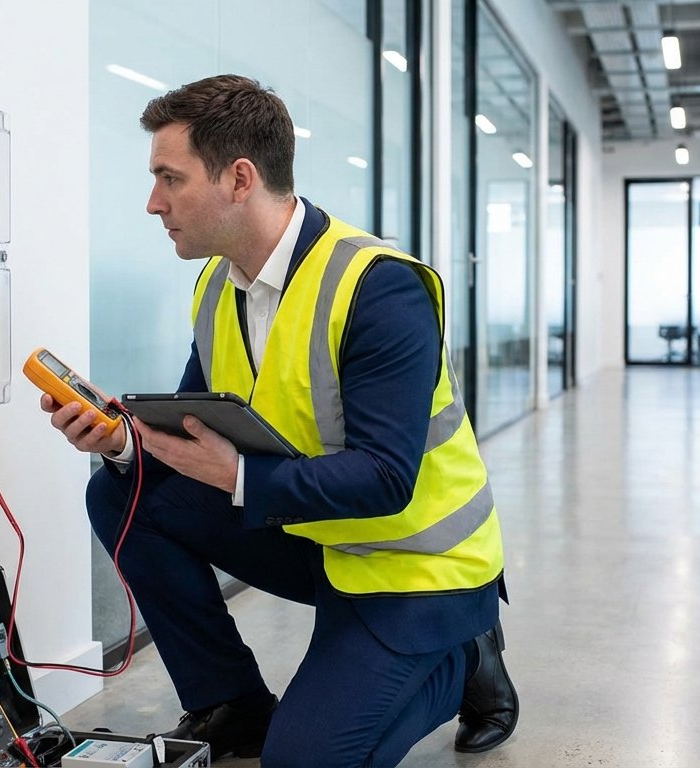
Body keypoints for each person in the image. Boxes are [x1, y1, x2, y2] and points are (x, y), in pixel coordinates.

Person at [43, 74, 517, 767]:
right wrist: (122, 443)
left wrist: (240, 477)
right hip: (316, 533)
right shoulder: (217, 285)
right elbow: (193, 429)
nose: (154, 203)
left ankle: (463, 654)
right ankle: (231, 705)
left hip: (415, 566)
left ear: (239, 178)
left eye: (170, 178)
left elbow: (387, 479)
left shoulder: (380, 287)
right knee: (122, 491)